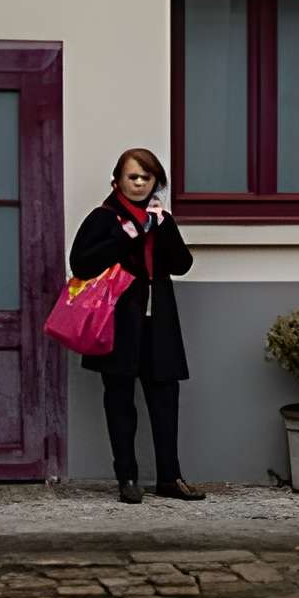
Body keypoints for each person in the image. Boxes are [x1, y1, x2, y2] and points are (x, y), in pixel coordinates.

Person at [69, 147, 203, 504]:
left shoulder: (160, 219)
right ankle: (127, 478)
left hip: (158, 324)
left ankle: (170, 477)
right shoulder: (103, 218)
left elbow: (182, 265)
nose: (140, 183)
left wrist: (163, 226)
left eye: (147, 177)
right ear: (117, 180)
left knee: (165, 400)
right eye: (133, 176)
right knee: (119, 402)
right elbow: (81, 264)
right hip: (116, 324)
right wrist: (127, 233)